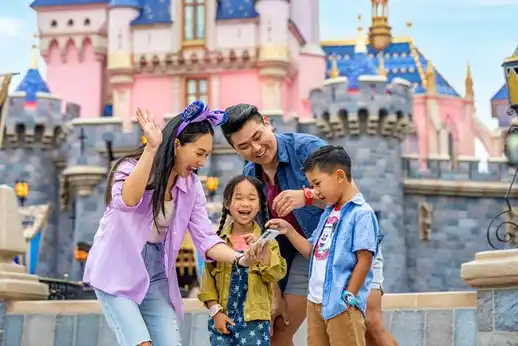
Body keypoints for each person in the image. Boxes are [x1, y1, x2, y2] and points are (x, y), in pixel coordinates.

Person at [83, 101, 264, 346]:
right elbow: (127, 201)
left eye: (207, 155)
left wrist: (240, 258)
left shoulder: (191, 187)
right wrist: (151, 149)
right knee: (141, 344)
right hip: (117, 267)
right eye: (199, 153)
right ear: (177, 145)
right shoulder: (130, 168)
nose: (202, 162)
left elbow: (205, 238)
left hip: (156, 273)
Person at [220, 104, 394, 346]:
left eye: (257, 137)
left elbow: (351, 196)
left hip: (350, 245)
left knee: (370, 325)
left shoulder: (306, 149)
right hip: (304, 254)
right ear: (235, 150)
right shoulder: (251, 175)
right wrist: (275, 294)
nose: (256, 148)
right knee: (279, 331)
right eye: (244, 147)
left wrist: (307, 196)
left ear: (267, 123)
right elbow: (264, 238)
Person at [266, 145, 381, 346]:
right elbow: (313, 251)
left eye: (317, 183)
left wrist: (348, 298)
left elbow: (365, 260)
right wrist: (289, 230)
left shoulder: (361, 213)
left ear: (339, 176)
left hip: (341, 305)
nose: (315, 192)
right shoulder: (328, 213)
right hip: (316, 303)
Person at [198, 175, 287, 346]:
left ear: (260, 205)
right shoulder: (217, 243)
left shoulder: (269, 242)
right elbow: (207, 284)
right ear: (226, 204)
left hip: (255, 323)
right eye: (238, 198)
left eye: (252, 198)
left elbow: (274, 274)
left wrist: (263, 249)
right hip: (222, 320)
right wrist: (215, 312)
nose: (245, 203)